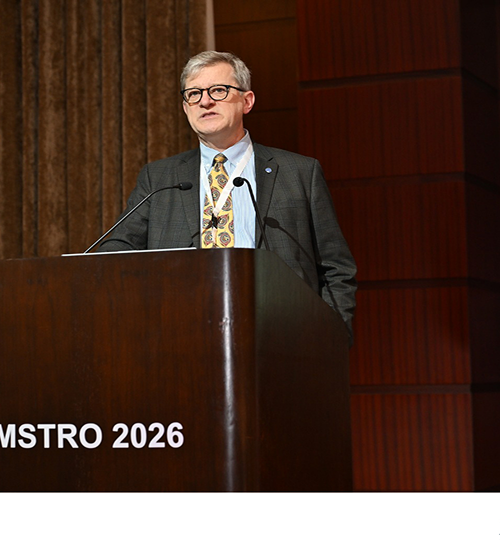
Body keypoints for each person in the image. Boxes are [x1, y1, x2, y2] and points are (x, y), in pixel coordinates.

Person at [98, 51, 357, 341]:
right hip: (180, 336)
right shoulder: (159, 178)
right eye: (194, 94)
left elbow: (336, 268)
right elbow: (117, 251)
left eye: (218, 90)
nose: (205, 101)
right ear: (185, 108)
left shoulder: (299, 173)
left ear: (247, 101)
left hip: (281, 336)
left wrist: (332, 337)